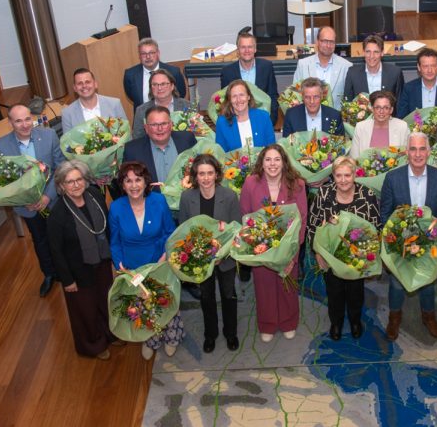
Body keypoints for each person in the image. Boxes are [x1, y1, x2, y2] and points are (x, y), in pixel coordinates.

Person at [381, 132, 437, 341]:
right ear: (406, 152)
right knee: (396, 282)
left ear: (429, 152)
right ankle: (395, 316)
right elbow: (385, 213)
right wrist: (393, 240)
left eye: (422, 149)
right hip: (401, 240)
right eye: (413, 149)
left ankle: (428, 316)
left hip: (430, 240)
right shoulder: (393, 178)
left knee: (429, 281)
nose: (418, 154)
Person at [109, 161, 182, 360]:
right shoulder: (116, 207)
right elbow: (114, 242)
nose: (134, 185)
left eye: (138, 180)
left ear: (145, 182)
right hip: (134, 267)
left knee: (166, 300)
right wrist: (119, 265)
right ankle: (151, 339)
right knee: (143, 305)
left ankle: (172, 337)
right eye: (128, 181)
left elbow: (169, 232)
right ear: (122, 185)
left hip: (159, 261)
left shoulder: (158, 201)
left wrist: (165, 255)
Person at [47, 160, 116, 359]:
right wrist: (67, 280)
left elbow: (107, 226)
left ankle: (110, 334)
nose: (76, 185)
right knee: (85, 310)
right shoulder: (57, 214)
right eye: (70, 182)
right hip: (78, 270)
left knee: (105, 300)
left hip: (102, 261)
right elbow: (56, 251)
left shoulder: (95, 195)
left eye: (79, 179)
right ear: (61, 186)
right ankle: (93, 344)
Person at [0, 103, 65, 297]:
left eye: (27, 119)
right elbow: (4, 181)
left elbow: (60, 167)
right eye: (18, 121)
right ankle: (49, 273)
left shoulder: (49, 135)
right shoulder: (1, 146)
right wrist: (23, 199)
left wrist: (47, 196)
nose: (25, 124)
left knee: (60, 236)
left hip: (52, 199)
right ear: (10, 123)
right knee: (40, 239)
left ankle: (65, 271)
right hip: (27, 206)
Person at [239, 144, 308, 342]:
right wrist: (252, 245)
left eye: (277, 159)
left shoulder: (297, 184)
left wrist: (293, 255)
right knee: (264, 286)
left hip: (289, 246)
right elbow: (245, 214)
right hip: (261, 247)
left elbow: (302, 219)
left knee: (287, 284)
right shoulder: (251, 183)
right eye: (268, 159)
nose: (272, 164)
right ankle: (267, 324)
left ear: (284, 162)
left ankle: (288, 321)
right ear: (261, 162)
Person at [308, 156, 380, 341]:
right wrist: (317, 254)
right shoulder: (323, 194)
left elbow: (375, 227)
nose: (343, 180)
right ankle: (336, 322)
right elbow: (312, 226)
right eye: (338, 175)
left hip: (357, 257)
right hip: (330, 257)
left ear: (355, 174)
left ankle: (355, 320)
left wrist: (368, 256)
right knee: (334, 292)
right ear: (333, 176)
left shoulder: (367, 195)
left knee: (356, 291)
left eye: (347, 175)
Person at [178, 154, 242, 353]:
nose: (205, 178)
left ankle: (231, 333)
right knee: (206, 297)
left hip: (226, 257)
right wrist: (202, 256)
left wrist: (221, 254)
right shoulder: (187, 198)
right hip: (201, 259)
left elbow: (236, 229)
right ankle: (210, 334)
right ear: (195, 176)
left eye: (210, 173)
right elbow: (183, 229)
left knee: (229, 295)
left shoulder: (230, 196)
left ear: (217, 175)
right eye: (201, 174)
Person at [122, 106, 197, 187]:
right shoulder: (132, 150)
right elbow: (126, 184)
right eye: (154, 125)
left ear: (171, 125)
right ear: (146, 128)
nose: (160, 128)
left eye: (164, 123)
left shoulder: (187, 140)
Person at [221, 32, 280, 125]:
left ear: (255, 49)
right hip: (238, 122)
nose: (246, 50)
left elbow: (273, 97)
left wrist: (270, 122)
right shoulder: (227, 72)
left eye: (250, 47)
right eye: (243, 47)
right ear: (238, 50)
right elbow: (226, 102)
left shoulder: (266, 67)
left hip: (262, 121)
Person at [293, 26, 352, 110]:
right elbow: (295, 93)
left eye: (331, 42)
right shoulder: (303, 65)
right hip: (308, 119)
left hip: (337, 119)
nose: (328, 45)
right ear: (317, 42)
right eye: (324, 41)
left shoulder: (346, 66)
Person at [123, 37, 187, 112]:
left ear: (158, 53)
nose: (148, 57)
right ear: (139, 56)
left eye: (151, 53)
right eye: (144, 54)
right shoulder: (130, 75)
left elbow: (180, 94)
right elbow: (132, 97)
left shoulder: (174, 72)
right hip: (143, 118)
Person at [215, 79, 276, 152]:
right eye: (234, 96)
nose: (238, 100)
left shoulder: (263, 117)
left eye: (241, 95)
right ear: (230, 100)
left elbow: (272, 150)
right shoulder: (222, 123)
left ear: (248, 97)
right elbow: (221, 155)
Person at [396, 48, 437, 118]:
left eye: (433, 66)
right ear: (419, 67)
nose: (429, 70)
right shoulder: (408, 88)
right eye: (425, 66)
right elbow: (402, 117)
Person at [61, 68, 127, 133]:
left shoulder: (114, 104)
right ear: (75, 88)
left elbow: (126, 133)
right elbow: (67, 142)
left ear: (95, 84)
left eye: (88, 82)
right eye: (80, 83)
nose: (84, 86)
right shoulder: (67, 114)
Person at [349, 91, 410, 159]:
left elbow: (406, 156)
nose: (381, 111)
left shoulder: (402, 126)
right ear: (372, 109)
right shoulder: (360, 127)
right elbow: (354, 158)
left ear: (391, 110)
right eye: (378, 107)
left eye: (386, 108)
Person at [343, 34, 405, 101]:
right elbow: (347, 103)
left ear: (382, 53)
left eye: (376, 52)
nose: (371, 56)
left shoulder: (395, 73)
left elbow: (400, 103)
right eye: (368, 52)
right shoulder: (352, 73)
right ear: (363, 52)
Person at [132, 69, 189, 138]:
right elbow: (137, 139)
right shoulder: (141, 111)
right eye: (155, 84)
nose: (159, 88)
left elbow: (196, 134)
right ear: (151, 88)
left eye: (163, 84)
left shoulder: (187, 106)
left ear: (172, 86)